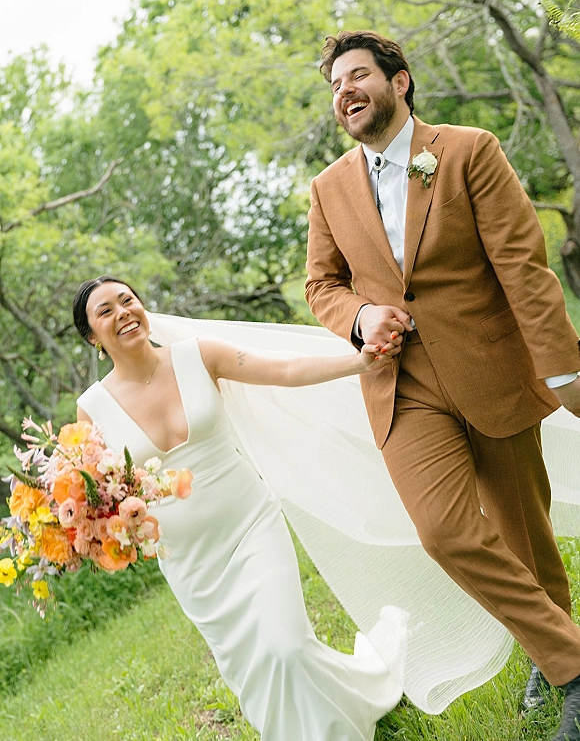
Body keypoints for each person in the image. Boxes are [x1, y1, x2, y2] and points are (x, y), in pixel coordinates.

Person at [304, 29, 580, 741]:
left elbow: (523, 265)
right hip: (402, 386)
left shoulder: (469, 150)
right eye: (335, 86)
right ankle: (574, 664)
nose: (346, 93)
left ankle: (554, 664)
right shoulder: (329, 188)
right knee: (446, 532)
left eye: (358, 76)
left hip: (492, 367)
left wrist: (564, 367)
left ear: (400, 83)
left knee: (525, 536)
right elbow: (321, 285)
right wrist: (361, 315)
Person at [72, 275, 405, 741]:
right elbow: (93, 496)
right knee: (253, 668)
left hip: (250, 526)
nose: (122, 312)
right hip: (189, 563)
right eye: (104, 311)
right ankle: (337, 708)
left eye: (128, 300)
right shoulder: (91, 410)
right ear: (91, 337)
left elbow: (284, 370)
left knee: (286, 648)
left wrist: (359, 364)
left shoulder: (198, 354)